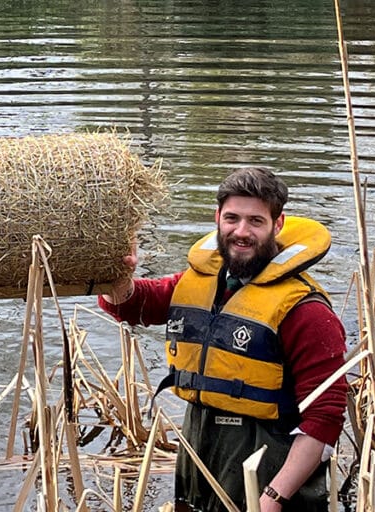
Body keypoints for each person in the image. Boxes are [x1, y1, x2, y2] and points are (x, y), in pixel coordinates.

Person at [99, 167, 348, 512]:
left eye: (255, 221)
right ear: (217, 218)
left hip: (268, 463)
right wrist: (116, 274)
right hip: (200, 447)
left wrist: (275, 496)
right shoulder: (198, 281)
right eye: (232, 218)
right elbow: (134, 304)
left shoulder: (307, 312)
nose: (241, 232)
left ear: (278, 225)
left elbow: (326, 417)